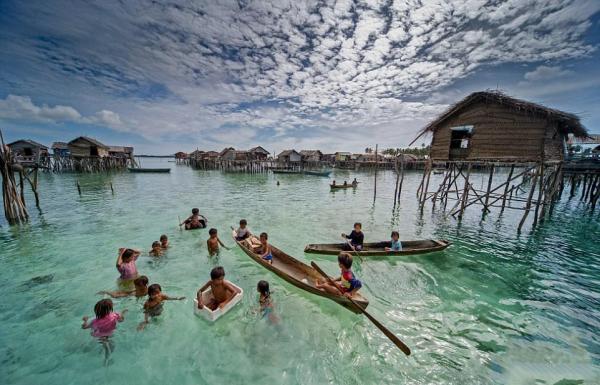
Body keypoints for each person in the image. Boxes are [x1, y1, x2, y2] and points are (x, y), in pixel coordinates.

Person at [81, 299, 127, 365]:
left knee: (104, 345)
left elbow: (84, 327)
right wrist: (122, 313)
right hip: (110, 333)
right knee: (110, 347)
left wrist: (85, 320)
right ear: (110, 309)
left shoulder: (95, 321)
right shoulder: (114, 315)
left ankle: (104, 355)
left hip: (99, 335)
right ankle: (107, 360)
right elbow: (121, 320)